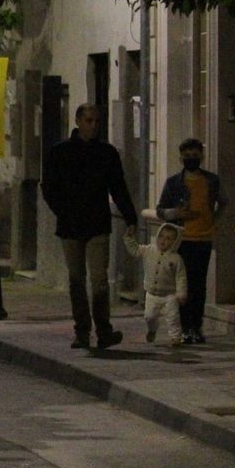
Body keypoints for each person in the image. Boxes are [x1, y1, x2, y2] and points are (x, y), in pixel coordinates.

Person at [41, 103, 137, 350]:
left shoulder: (106, 153)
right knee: (76, 279)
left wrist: (131, 217)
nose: (93, 126)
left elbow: (118, 186)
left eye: (96, 121)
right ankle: (82, 330)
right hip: (70, 225)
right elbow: (49, 186)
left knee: (99, 279)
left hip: (97, 223)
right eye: (88, 120)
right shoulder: (60, 152)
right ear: (78, 121)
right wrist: (62, 210)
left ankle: (103, 330)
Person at [154, 138, 226, 345]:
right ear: (181, 158)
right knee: (182, 285)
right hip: (181, 239)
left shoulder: (211, 180)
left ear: (201, 156)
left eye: (195, 155)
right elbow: (160, 210)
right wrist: (176, 213)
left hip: (203, 238)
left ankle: (196, 326)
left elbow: (223, 202)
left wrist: (214, 221)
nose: (191, 159)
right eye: (187, 156)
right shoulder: (174, 183)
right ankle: (185, 327)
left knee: (198, 285)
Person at [123, 223, 187, 345]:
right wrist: (129, 238)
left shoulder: (176, 259)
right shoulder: (149, 250)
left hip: (170, 295)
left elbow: (181, 277)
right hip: (152, 294)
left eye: (168, 238)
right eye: (161, 236)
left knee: (173, 317)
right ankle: (152, 329)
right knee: (149, 316)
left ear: (175, 242)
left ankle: (175, 337)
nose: (163, 240)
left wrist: (181, 293)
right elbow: (135, 250)